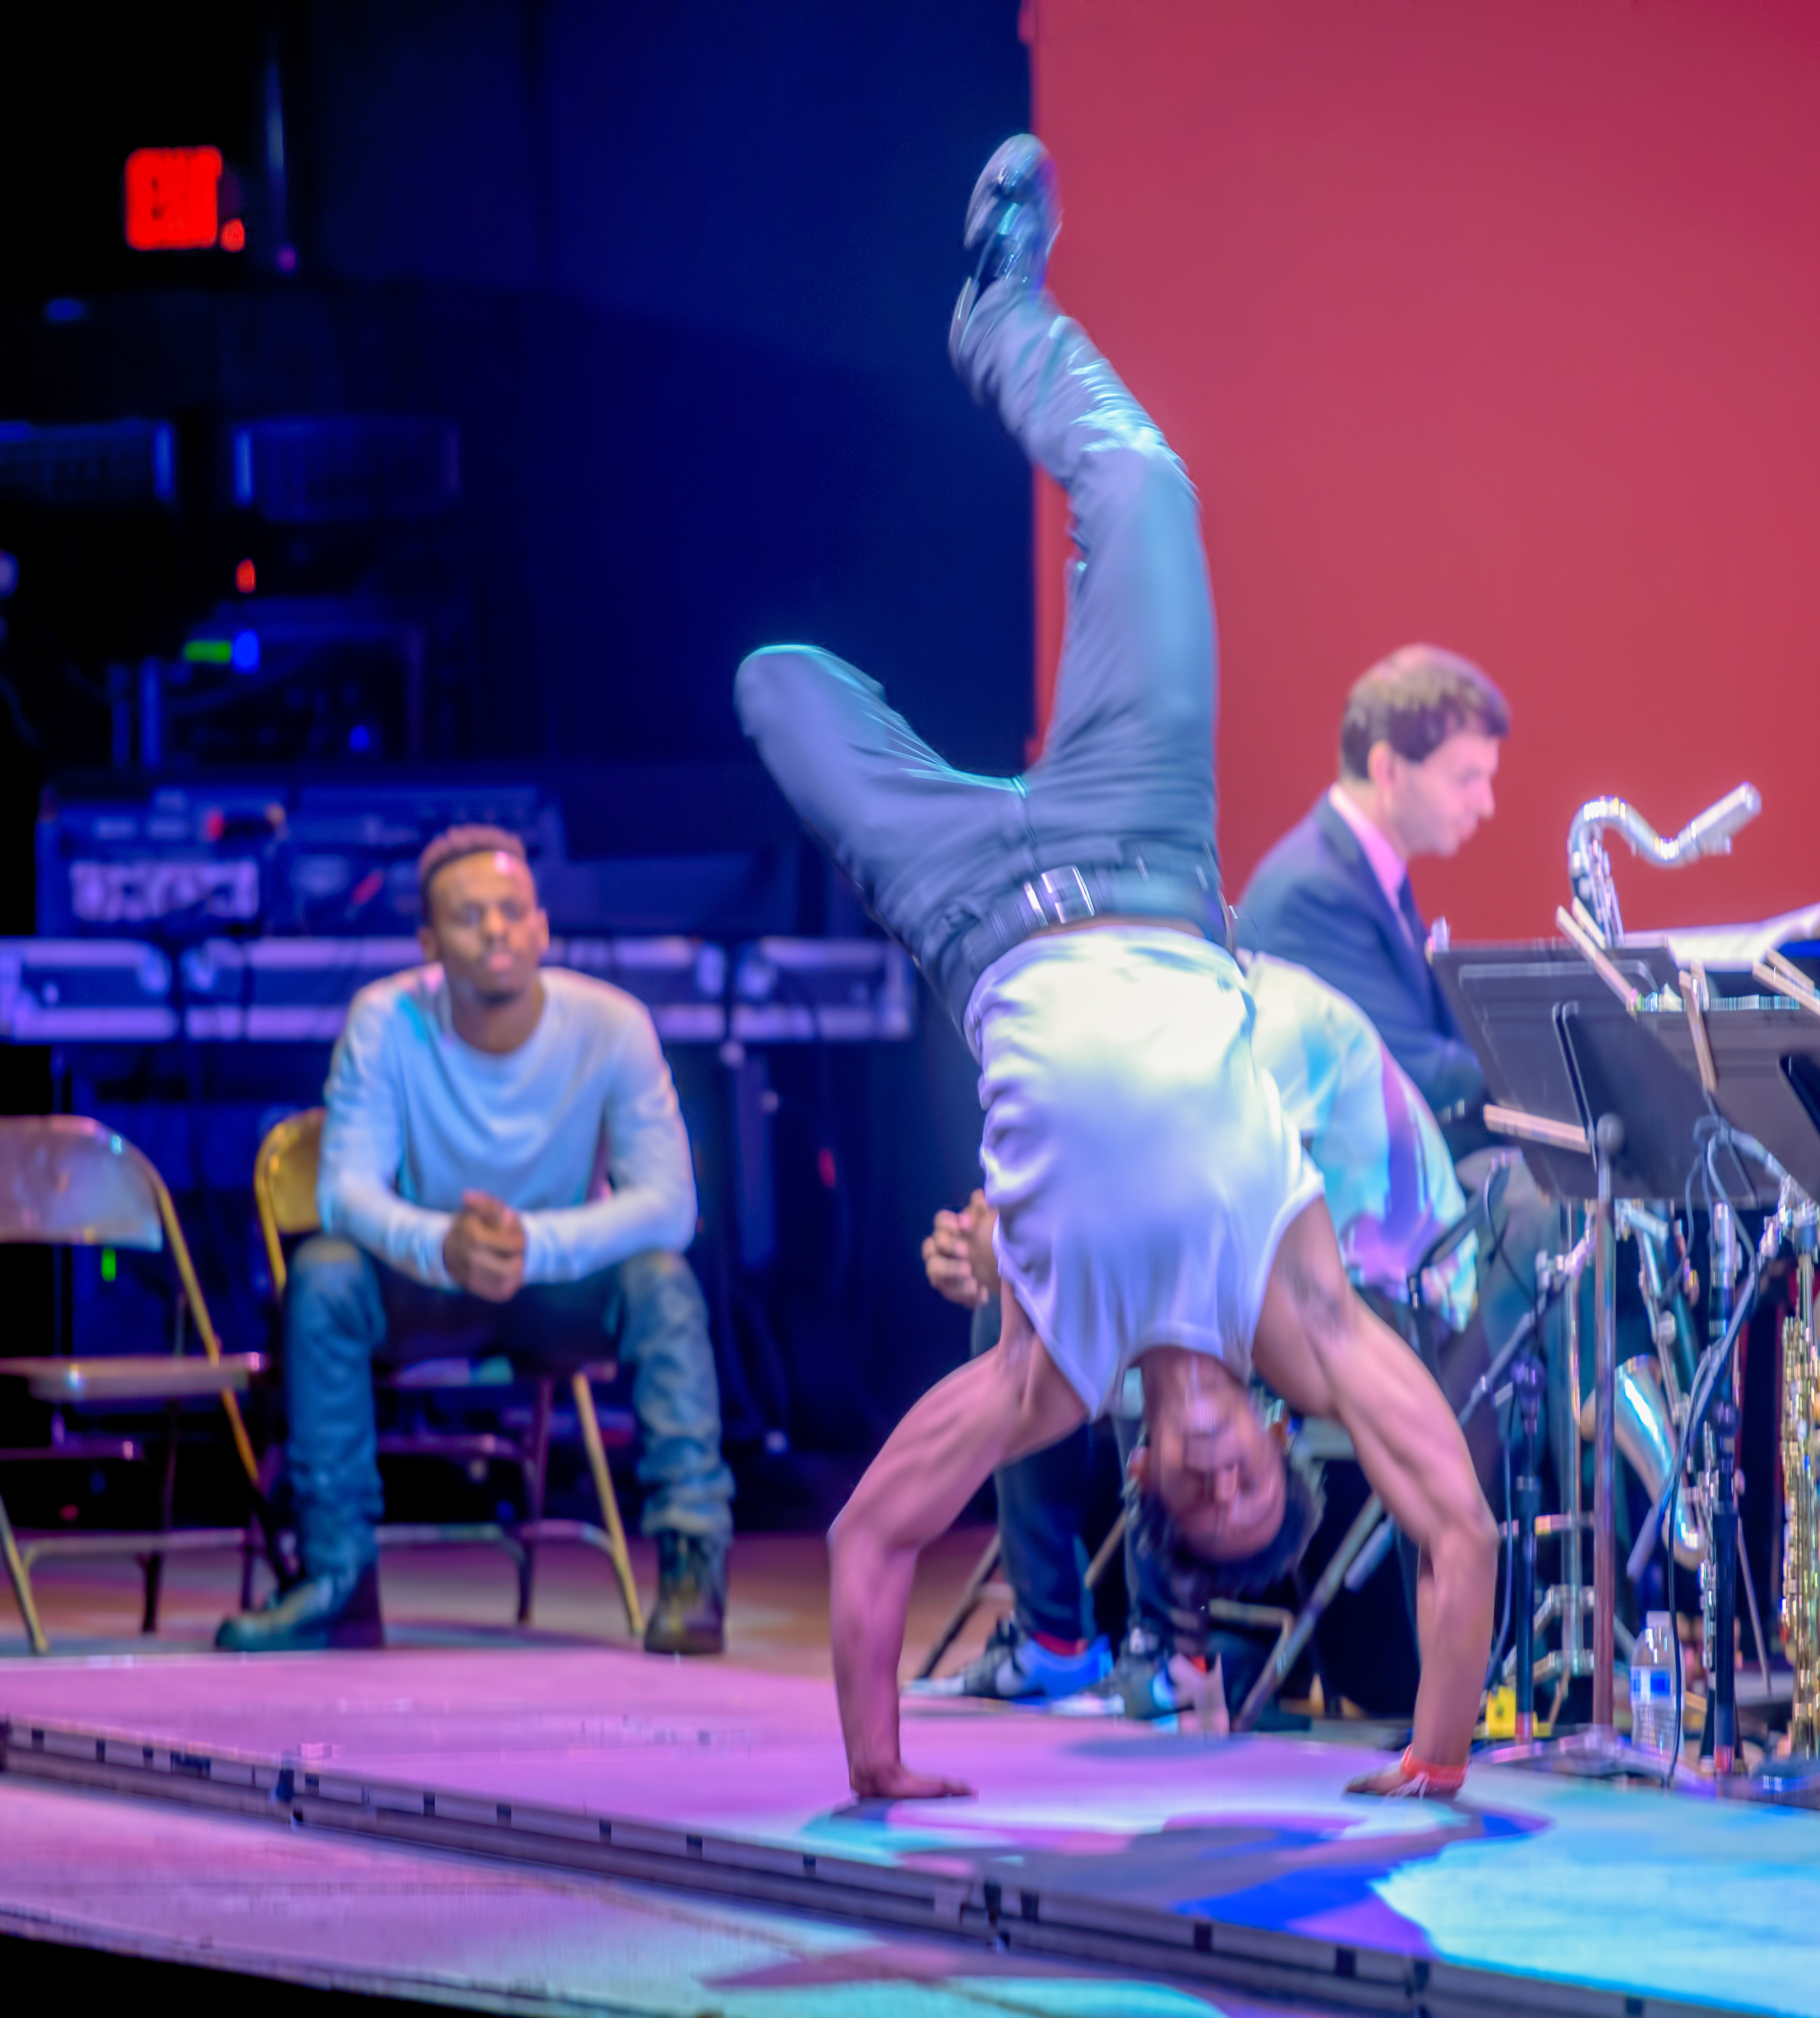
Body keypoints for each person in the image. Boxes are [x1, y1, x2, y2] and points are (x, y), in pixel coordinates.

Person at [732, 136, 1495, 1800]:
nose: (1225, 1465)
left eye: (1200, 1493)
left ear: (1144, 1470)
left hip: (979, 914)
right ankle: (1004, 314)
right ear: (1267, 1441)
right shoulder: (1299, 1307)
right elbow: (1457, 1525)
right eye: (1254, 1482)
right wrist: (1436, 1760)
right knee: (1149, 487)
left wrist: (878, 1770)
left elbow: (868, 1541)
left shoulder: (1044, 1368)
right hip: (1145, 849)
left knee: (774, 682)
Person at [916, 949, 1473, 1718]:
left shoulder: (1271, 1027)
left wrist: (1012, 1251)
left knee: (1166, 1321)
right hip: (1256, 1278)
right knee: (1035, 1316)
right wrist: (997, 1256)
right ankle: (1052, 1641)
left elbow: (1213, 1231)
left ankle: (1175, 1656)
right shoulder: (1140, 1042)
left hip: (1398, 1296)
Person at [218, 825, 734, 1654]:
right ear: (429, 942)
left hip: (558, 1287)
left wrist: (532, 1243)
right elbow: (343, 1194)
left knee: (661, 1280)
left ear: (541, 927)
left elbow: (671, 1205)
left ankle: (691, 1564)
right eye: (469, 917)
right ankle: (337, 1577)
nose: (495, 930)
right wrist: (444, 1247)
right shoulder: (386, 1020)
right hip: (429, 1282)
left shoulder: (613, 1026)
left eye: (511, 911)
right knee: (325, 1275)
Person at [1237, 647, 1506, 1144]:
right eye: (1467, 778)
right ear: (1387, 770)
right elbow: (1409, 1071)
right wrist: (1558, 1090)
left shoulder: (1362, 870)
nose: (1486, 805)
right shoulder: (1312, 894)